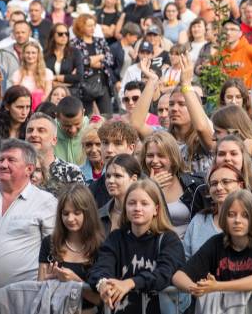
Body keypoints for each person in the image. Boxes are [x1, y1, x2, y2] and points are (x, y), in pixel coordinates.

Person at [0, 139, 56, 288]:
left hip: (24, 296)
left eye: (11, 160)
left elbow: (53, 253)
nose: (3, 164)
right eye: (1, 160)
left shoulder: (46, 202)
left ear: (29, 169)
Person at [87, 178, 186, 312]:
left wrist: (130, 283)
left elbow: (165, 273)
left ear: (156, 209)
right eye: (132, 203)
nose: (137, 208)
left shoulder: (169, 240)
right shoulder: (116, 238)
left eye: (144, 203)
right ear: (125, 208)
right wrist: (103, 283)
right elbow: (101, 267)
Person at [173, 189, 252, 305]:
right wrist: (197, 288)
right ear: (224, 218)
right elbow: (178, 276)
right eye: (231, 215)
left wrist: (217, 286)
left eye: (245, 215)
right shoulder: (216, 242)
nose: (237, 220)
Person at [37, 184, 103, 308]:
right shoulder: (49, 243)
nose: (70, 219)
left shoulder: (101, 247)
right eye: (65, 213)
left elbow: (101, 301)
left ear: (88, 213)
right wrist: (48, 283)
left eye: (77, 213)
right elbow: (39, 291)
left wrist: (74, 281)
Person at [140, 132, 206, 238]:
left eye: (161, 155)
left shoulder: (192, 184)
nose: (155, 161)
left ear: (173, 158)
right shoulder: (139, 187)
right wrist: (151, 189)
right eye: (150, 155)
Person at [25, 112, 84, 196]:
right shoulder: (17, 169)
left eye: (41, 130)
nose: (33, 134)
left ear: (54, 140)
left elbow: (81, 202)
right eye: (30, 130)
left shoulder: (71, 172)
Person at [71, 14, 114, 115]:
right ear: (81, 27)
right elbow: (78, 62)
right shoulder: (74, 43)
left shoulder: (100, 41)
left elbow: (110, 59)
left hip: (102, 83)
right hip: (83, 85)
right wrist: (100, 56)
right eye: (89, 26)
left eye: (94, 25)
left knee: (108, 116)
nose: (93, 28)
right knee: (86, 117)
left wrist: (90, 61)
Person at [220, 18, 252, 88]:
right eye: (225, 29)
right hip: (226, 93)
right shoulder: (219, 53)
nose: (228, 32)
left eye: (233, 29)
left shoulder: (250, 50)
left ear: (240, 33)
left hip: (245, 92)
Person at [11, 42, 52, 110]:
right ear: (23, 54)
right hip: (23, 107)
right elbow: (15, 93)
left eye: (33, 53)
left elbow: (47, 94)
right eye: (27, 53)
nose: (30, 56)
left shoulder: (47, 73)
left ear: (38, 55)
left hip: (41, 108)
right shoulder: (17, 74)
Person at [44, 22, 84, 90]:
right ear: (53, 36)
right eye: (60, 34)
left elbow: (79, 76)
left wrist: (55, 77)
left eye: (67, 34)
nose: (64, 36)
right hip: (49, 90)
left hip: (71, 91)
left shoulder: (75, 52)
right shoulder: (45, 54)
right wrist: (68, 78)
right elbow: (42, 76)